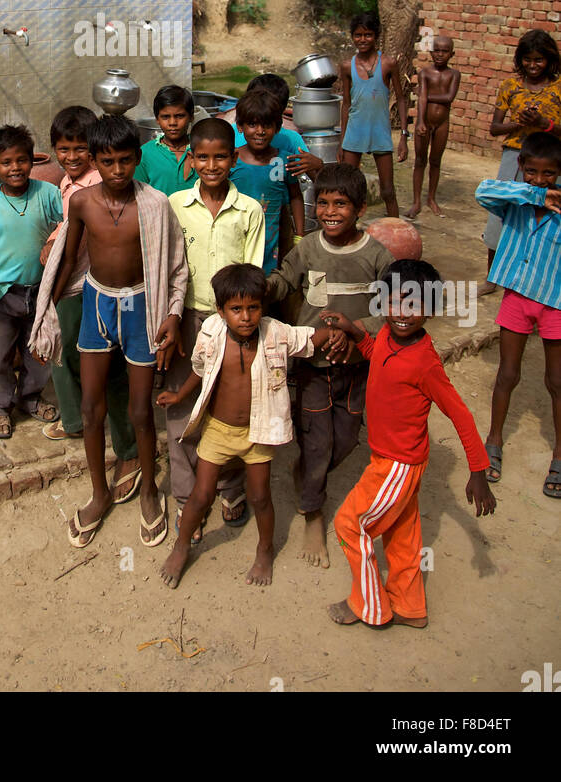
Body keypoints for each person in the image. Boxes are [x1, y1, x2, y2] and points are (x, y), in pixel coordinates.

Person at [32, 114, 188, 549]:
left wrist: (172, 316)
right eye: (107, 161)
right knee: (90, 408)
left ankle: (151, 490)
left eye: (124, 161)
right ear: (95, 161)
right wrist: (46, 307)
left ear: (138, 158)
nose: (117, 171)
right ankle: (99, 492)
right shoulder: (81, 203)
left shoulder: (156, 205)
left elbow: (176, 265)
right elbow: (67, 256)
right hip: (98, 305)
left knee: (140, 410)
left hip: (141, 308)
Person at [326, 259, 496, 629]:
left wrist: (478, 470)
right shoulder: (388, 335)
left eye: (415, 304)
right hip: (393, 460)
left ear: (431, 309)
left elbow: (461, 415)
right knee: (402, 537)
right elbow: (378, 357)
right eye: (393, 301)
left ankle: (370, 607)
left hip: (396, 464)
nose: (402, 313)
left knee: (349, 525)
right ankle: (409, 606)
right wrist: (356, 334)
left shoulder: (426, 363)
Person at [158, 264, 347, 588]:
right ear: (220, 310)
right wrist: (179, 396)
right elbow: (200, 370)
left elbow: (308, 339)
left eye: (253, 308)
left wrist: (337, 331)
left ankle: (265, 549)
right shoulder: (212, 333)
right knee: (201, 496)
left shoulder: (275, 332)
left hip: (259, 432)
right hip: (218, 430)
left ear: (263, 306)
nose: (245, 317)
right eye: (236, 309)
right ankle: (181, 546)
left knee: (260, 496)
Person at [266, 163, 394, 567]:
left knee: (346, 441)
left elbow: (394, 305)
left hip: (357, 367)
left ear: (360, 208)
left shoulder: (377, 255)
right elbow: (284, 281)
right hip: (313, 365)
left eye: (341, 203)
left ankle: (308, 472)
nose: (330, 211)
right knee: (318, 443)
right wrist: (255, 286)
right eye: (322, 203)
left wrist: (356, 330)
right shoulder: (308, 248)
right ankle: (313, 513)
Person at [37, 107, 142, 505]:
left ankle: (128, 451)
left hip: (95, 287)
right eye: (64, 149)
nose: (72, 157)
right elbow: (69, 233)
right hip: (75, 285)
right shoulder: (69, 184)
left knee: (108, 367)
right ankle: (80, 420)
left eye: (81, 149)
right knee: (70, 356)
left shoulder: (101, 182)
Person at [167, 117, 266, 536]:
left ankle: (228, 484)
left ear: (234, 158)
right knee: (181, 400)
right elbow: (167, 265)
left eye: (221, 156)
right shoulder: (174, 205)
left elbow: (254, 271)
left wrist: (237, 323)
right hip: (187, 316)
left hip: (231, 321)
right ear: (192, 159)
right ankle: (186, 492)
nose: (212, 165)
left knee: (227, 405)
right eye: (203, 157)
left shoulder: (249, 210)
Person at [476, 131, 561, 498]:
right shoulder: (515, 200)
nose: (540, 179)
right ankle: (493, 440)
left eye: (549, 175)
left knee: (557, 381)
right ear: (522, 168)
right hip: (516, 298)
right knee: (507, 374)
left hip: (556, 302)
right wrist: (535, 194)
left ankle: (559, 453)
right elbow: (483, 191)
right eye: (532, 172)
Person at [0, 124, 63, 439]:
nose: (15, 168)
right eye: (6, 163)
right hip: (0, 295)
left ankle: (30, 398)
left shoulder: (48, 193)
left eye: (21, 160)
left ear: (31, 162)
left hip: (40, 292)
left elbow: (64, 226)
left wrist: (51, 241)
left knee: (39, 353)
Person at [478, 29, 561, 297]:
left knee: (546, 217)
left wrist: (543, 124)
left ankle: (538, 279)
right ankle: (493, 276)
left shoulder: (558, 88)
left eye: (539, 60)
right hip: (515, 157)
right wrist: (520, 123)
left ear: (549, 60)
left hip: (551, 161)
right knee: (501, 214)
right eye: (527, 59)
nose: (533, 65)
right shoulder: (510, 87)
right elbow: (494, 128)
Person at [339, 11, 409, 217]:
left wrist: (404, 135)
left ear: (376, 36)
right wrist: (341, 141)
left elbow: (402, 98)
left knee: (388, 190)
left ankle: (395, 231)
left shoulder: (388, 64)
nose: (363, 40)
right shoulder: (346, 67)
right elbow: (346, 105)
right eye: (358, 35)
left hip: (379, 132)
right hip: (355, 132)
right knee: (348, 189)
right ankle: (348, 232)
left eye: (368, 35)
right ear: (352, 37)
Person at [230, 89, 304, 272]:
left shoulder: (284, 161)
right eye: (253, 124)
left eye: (267, 125)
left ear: (277, 128)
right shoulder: (231, 160)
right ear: (240, 126)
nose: (260, 132)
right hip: (235, 236)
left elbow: (295, 196)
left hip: (271, 239)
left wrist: (299, 235)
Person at [406, 35, 461, 218]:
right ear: (431, 52)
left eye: (444, 51)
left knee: (436, 161)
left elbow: (448, 98)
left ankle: (431, 198)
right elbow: (420, 99)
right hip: (425, 121)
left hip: (442, 123)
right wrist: (420, 121)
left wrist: (425, 95)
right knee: (420, 161)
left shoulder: (454, 75)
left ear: (451, 54)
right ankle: (416, 202)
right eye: (437, 50)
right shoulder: (425, 73)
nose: (440, 54)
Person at [134, 85, 198, 195]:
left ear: (191, 116)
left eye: (180, 116)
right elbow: (138, 195)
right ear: (157, 119)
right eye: (165, 117)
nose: (172, 122)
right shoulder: (145, 154)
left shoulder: (202, 149)